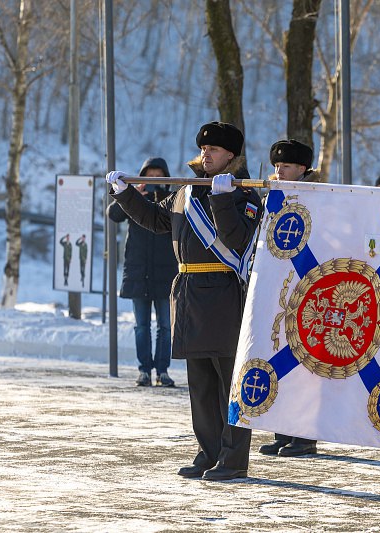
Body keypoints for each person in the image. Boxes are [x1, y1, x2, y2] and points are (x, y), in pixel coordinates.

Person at [106, 121, 262, 481]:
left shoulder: (243, 194)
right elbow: (156, 219)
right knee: (200, 385)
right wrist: (125, 194)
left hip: (223, 294)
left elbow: (238, 239)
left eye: (214, 149)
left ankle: (233, 459)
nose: (206, 154)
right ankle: (209, 452)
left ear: (231, 156)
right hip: (189, 292)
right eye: (203, 149)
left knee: (228, 384)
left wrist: (223, 199)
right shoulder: (187, 192)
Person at [258, 138, 321, 458]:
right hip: (279, 289)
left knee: (304, 367)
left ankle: (305, 435)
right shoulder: (272, 196)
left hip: (309, 289)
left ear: (302, 168)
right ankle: (282, 430)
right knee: (278, 359)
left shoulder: (320, 197)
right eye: (276, 166)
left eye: (286, 166)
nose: (279, 171)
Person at [107, 157, 177, 387]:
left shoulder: (172, 200)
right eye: (150, 176)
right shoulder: (134, 199)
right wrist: (133, 194)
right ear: (142, 177)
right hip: (138, 273)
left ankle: (162, 371)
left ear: (166, 178)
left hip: (166, 274)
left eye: (159, 176)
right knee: (141, 327)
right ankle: (144, 370)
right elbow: (113, 214)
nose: (154, 180)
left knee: (165, 327)